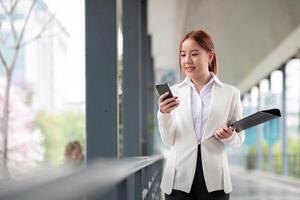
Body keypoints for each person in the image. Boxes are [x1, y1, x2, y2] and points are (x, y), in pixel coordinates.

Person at [157, 29, 245, 200]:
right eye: (183, 55)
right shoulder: (173, 93)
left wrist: (228, 137)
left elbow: (239, 140)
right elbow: (168, 140)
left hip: (215, 181)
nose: (187, 61)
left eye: (194, 54)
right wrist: (164, 114)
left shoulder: (230, 93)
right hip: (178, 179)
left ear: (210, 56)